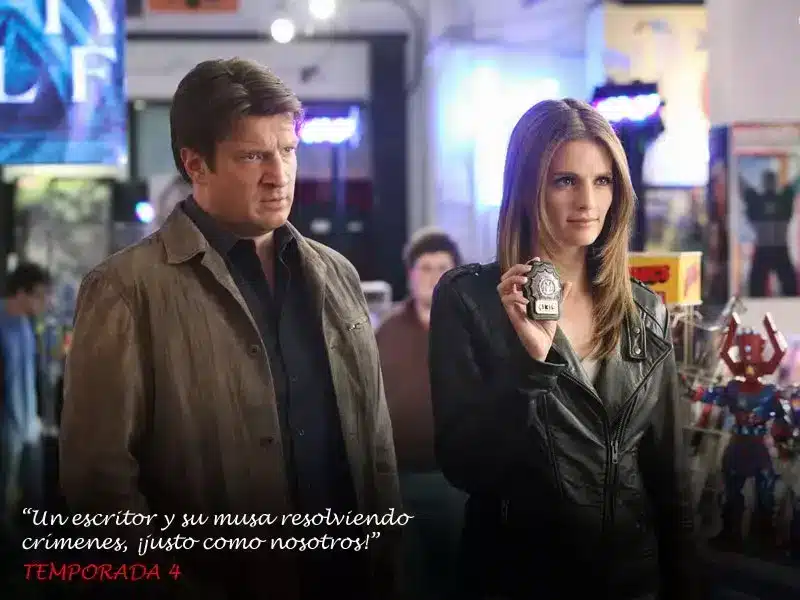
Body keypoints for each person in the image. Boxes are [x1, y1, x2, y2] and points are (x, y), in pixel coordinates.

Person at [61, 58, 401, 600]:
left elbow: (375, 444)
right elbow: (99, 486)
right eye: (252, 156)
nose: (279, 174)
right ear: (195, 164)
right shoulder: (126, 290)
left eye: (287, 150)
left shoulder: (336, 274)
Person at [428, 99, 699, 600]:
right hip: (518, 579)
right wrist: (527, 366)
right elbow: (466, 466)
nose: (588, 202)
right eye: (565, 181)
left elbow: (670, 477)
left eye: (603, 181)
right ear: (526, 187)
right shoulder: (470, 299)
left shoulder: (644, 309)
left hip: (632, 581)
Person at [376, 227, 466, 600]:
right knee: (410, 582)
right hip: (400, 484)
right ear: (410, 274)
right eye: (424, 268)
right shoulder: (386, 332)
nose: (432, 276)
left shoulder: (472, 331)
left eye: (442, 268)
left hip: (459, 484)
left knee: (460, 579)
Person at [0, 262, 51, 531]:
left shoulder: (27, 326)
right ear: (21, 293)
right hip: (7, 428)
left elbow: (30, 374)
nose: (45, 302)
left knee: (34, 499)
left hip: (29, 425)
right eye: (40, 295)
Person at [739, 169, 798, 296]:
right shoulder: (759, 200)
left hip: (778, 248)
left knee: (790, 287)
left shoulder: (782, 199)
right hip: (765, 248)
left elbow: (796, 183)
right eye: (769, 180)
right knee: (756, 287)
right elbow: (741, 184)